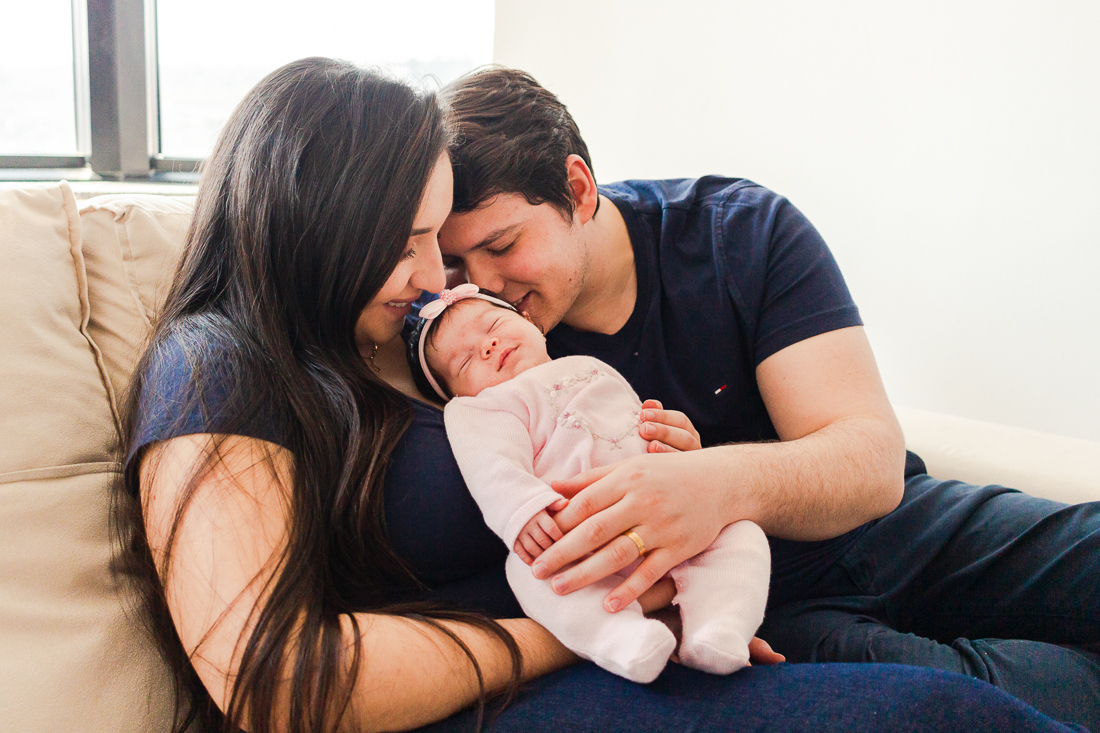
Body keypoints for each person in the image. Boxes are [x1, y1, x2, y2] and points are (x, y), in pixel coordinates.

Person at [112, 56, 1088, 733]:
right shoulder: (220, 363)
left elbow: (860, 459)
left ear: (580, 190)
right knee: (955, 710)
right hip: (617, 645)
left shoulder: (383, 339)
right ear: (321, 226)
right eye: (417, 246)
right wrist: (576, 634)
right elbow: (278, 676)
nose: (445, 283)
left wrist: (685, 475)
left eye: (451, 245)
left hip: (715, 588)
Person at [435, 65, 1100, 730]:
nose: (482, 286)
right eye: (457, 264)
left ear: (578, 190)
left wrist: (711, 484)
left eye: (503, 245)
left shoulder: (736, 231)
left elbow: (870, 460)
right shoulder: (473, 350)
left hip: (894, 528)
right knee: (984, 705)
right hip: (760, 607)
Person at [413, 284, 770, 682]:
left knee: (740, 534)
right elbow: (491, 466)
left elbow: (635, 420)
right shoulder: (483, 407)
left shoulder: (586, 365)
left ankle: (717, 626)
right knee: (533, 573)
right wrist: (522, 511)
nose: (488, 345)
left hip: (669, 513)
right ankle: (622, 639)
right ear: (454, 394)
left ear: (530, 322)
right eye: (464, 361)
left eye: (494, 325)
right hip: (576, 539)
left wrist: (675, 453)